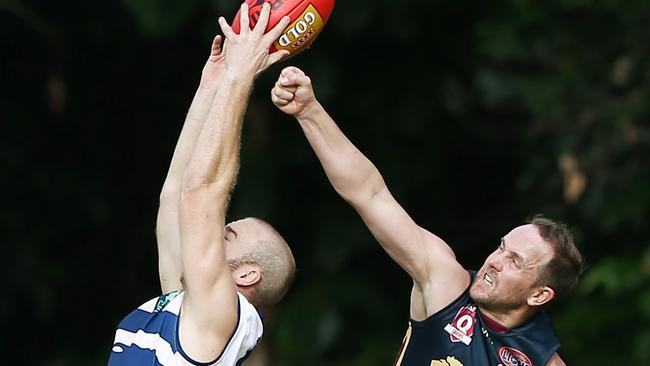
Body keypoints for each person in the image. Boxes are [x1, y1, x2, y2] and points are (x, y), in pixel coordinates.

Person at [271, 66, 584, 366]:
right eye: (502, 247)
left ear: (540, 294)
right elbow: (369, 193)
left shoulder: (543, 359)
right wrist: (309, 112)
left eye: (515, 261)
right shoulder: (445, 283)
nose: (495, 260)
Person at [108, 4, 295, 365]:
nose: (216, 230)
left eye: (228, 235)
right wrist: (212, 86)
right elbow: (175, 197)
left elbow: (201, 191)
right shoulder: (185, 305)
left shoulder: (223, 314)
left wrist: (240, 79)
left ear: (247, 274)